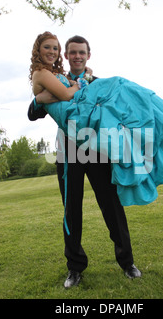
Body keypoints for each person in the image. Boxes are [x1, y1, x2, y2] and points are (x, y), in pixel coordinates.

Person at [28, 33, 141, 288]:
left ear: (88, 55)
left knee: (112, 206)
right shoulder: (57, 81)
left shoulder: (95, 83)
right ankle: (75, 269)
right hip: (68, 153)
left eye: (82, 52)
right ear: (65, 56)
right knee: (71, 210)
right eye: (72, 52)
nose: (77, 56)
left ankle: (127, 262)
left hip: (97, 150)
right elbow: (32, 112)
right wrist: (37, 99)